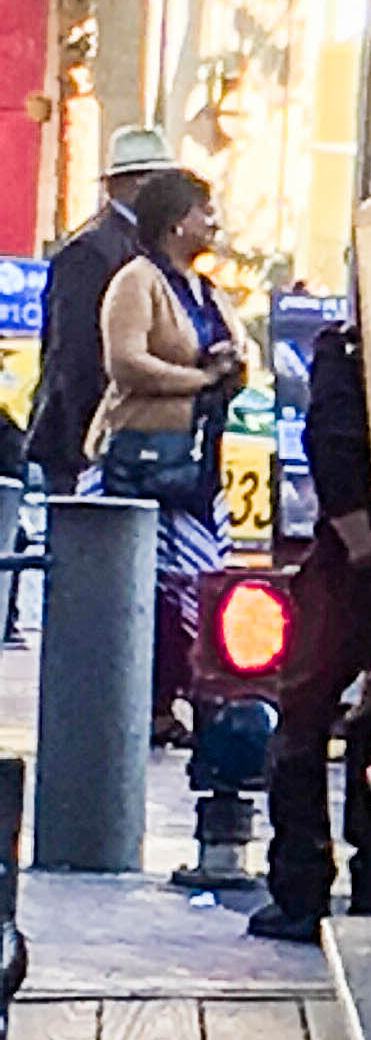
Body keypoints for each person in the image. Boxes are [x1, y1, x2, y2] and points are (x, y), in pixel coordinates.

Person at [251, 320, 371, 944]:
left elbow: (332, 441)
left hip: (353, 557)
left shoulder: (345, 348)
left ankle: (300, 888)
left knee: (304, 709)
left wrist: (357, 541)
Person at [90, 166, 242, 740]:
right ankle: (148, 701)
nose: (215, 222)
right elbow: (125, 362)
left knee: (203, 583)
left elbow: (231, 357)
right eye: (205, 211)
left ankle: (197, 696)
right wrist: (198, 381)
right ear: (177, 222)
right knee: (147, 587)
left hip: (197, 467)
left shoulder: (205, 290)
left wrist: (228, 368)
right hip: (140, 463)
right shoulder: (137, 281)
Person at [27, 121, 175, 492]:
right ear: (128, 185)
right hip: (82, 444)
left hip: (126, 440)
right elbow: (74, 356)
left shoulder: (148, 249)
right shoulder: (91, 252)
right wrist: (96, 438)